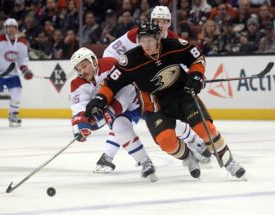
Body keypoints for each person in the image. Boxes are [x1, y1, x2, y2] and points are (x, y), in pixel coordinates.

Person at [85, 22, 246, 179]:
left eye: (149, 40)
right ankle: (188, 157)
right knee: (166, 142)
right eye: (142, 40)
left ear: (158, 38)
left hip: (183, 96)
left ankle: (230, 162)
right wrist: (100, 98)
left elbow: (196, 57)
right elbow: (111, 83)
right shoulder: (130, 60)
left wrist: (196, 75)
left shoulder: (174, 46)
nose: (146, 44)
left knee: (207, 129)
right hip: (156, 106)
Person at [98, 6, 210, 173]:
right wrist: (124, 76)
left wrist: (195, 76)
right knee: (121, 118)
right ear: (151, 22)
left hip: (152, 87)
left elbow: (176, 68)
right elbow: (110, 52)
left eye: (164, 21)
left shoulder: (171, 40)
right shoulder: (136, 34)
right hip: (130, 84)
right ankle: (109, 155)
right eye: (157, 21)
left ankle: (195, 142)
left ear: (169, 23)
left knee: (166, 115)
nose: (161, 24)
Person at [69, 47, 158, 181]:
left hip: (141, 99)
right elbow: (79, 106)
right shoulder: (77, 84)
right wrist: (81, 125)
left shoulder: (110, 64)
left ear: (93, 61)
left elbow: (126, 90)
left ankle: (197, 144)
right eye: (78, 69)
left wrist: (109, 112)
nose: (82, 71)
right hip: (124, 111)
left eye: (84, 66)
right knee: (119, 127)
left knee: (173, 125)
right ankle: (145, 162)